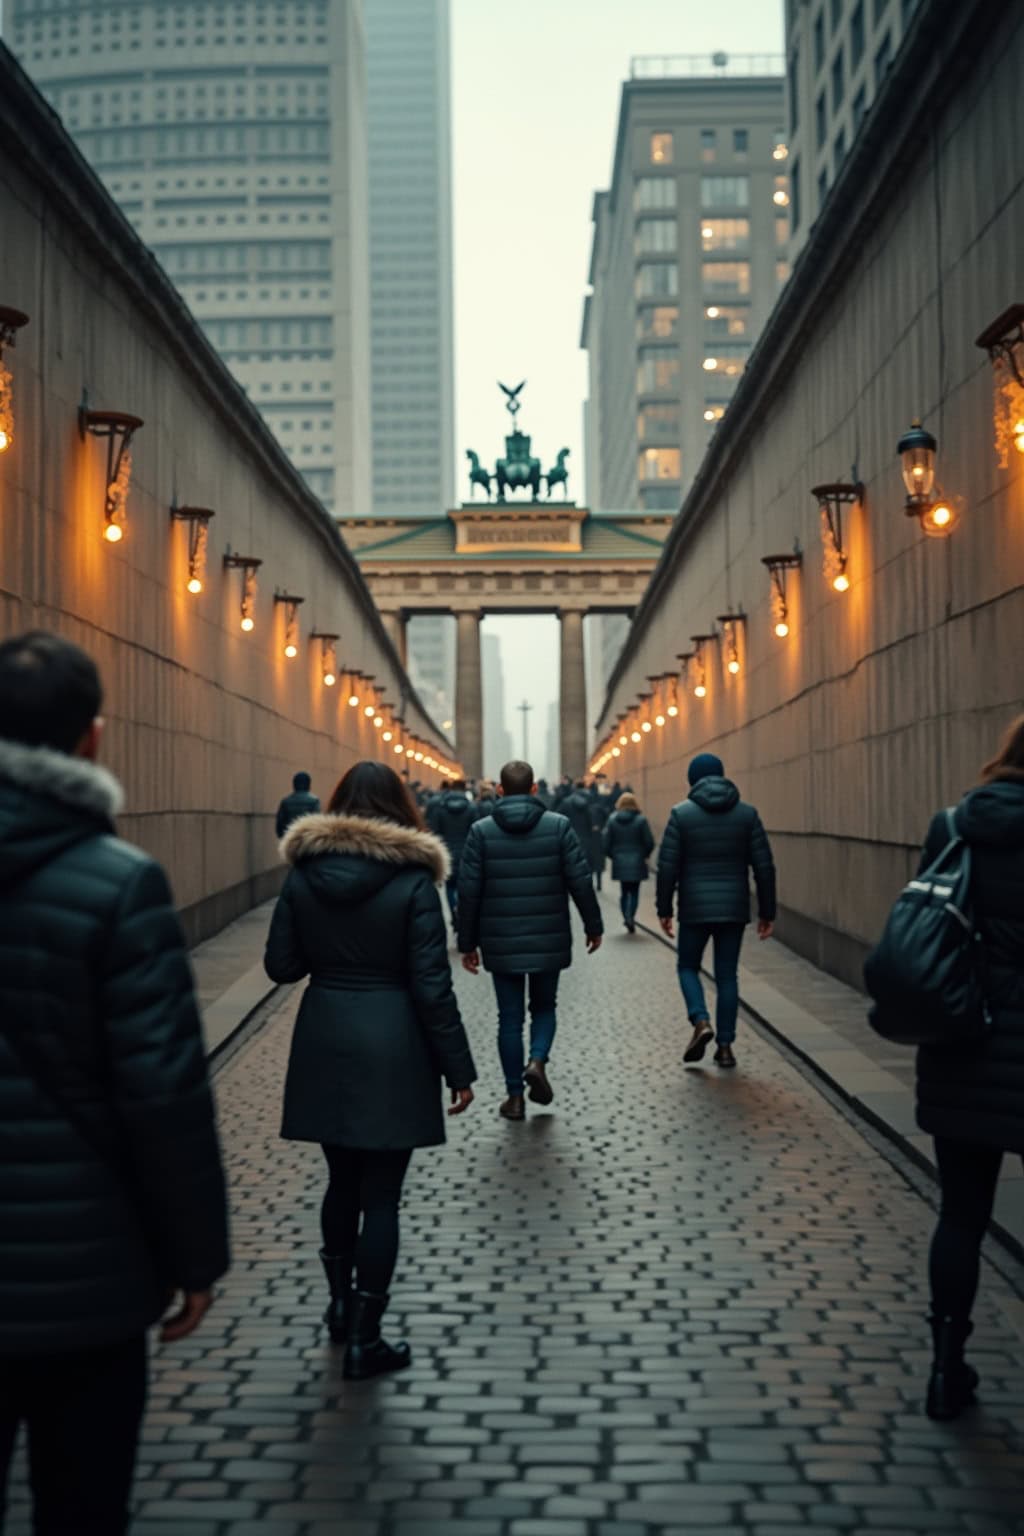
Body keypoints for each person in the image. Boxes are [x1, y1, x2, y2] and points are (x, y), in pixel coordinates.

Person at [0, 631, 229, 1536]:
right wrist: (194, 1257)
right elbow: (162, 1094)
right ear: (93, 738)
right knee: (82, 1509)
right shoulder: (122, 885)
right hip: (85, 1282)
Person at [265, 761, 476, 1380]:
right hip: (394, 1043)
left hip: (326, 1033)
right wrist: (457, 1067)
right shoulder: (414, 882)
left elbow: (281, 965)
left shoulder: (303, 874)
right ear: (402, 807)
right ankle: (366, 1337)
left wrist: (325, 951)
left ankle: (335, 1304)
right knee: (382, 1197)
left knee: (340, 1182)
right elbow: (432, 986)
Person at [913, 716, 1024, 1421]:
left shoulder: (954, 826)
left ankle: (947, 1366)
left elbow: (928, 923)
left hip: (968, 1040)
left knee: (960, 1215)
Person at [457, 759, 603, 1120]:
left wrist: (467, 942)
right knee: (544, 1006)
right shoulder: (558, 827)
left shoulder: (480, 831)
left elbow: (469, 892)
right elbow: (580, 880)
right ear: (535, 789)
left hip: (501, 939)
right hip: (547, 937)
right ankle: (537, 1060)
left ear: (500, 790)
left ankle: (514, 1095)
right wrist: (593, 925)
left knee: (508, 1019)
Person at [656, 751, 776, 1070]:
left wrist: (663, 908)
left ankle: (700, 1020)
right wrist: (768, 911)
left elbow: (667, 866)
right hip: (733, 907)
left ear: (692, 780)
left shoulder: (681, 815)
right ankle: (725, 1046)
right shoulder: (747, 815)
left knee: (687, 966)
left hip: (694, 907)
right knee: (727, 975)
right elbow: (764, 867)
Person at [425, 776, 477, 923]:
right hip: (467, 853)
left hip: (446, 853)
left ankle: (453, 911)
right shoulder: (472, 808)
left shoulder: (440, 808)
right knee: (464, 887)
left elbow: (434, 832)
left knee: (448, 886)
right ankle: (460, 912)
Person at [604, 791, 656, 933]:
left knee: (624, 891)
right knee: (634, 891)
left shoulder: (612, 820)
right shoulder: (641, 820)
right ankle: (631, 916)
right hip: (637, 861)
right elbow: (649, 842)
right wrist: (644, 855)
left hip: (620, 861)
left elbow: (606, 844)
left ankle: (626, 916)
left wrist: (614, 856)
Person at [562, 779, 597, 881]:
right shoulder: (591, 799)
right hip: (586, 836)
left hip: (571, 835)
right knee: (586, 862)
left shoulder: (566, 802)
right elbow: (593, 818)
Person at [275, 769, 321, 837]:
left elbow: (279, 826)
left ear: (294, 784)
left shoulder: (286, 801)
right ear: (308, 784)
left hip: (290, 839)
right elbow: (317, 824)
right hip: (306, 841)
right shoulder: (314, 801)